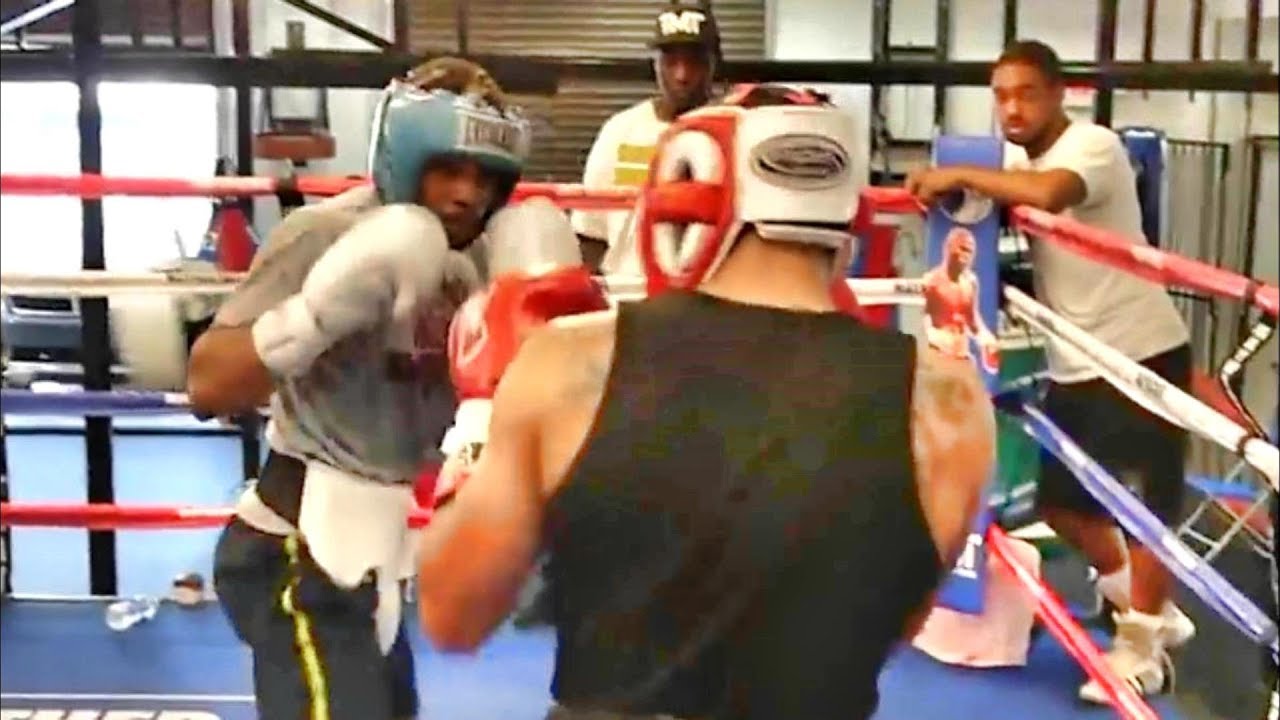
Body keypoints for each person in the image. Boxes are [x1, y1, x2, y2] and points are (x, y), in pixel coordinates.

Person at [417, 85, 996, 719]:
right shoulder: (947, 406)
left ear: (690, 188)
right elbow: (887, 630)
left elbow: (452, 615)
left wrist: (477, 423)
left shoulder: (571, 364)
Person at [184, 57, 566, 720]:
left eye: (486, 177)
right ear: (404, 155)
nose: (467, 194)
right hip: (293, 547)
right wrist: (311, 318)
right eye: (448, 168)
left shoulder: (488, 265)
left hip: (381, 553)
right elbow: (208, 384)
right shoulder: (326, 236)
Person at [905, 39, 1196, 701]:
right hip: (1079, 358)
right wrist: (943, 189)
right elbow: (995, 194)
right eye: (1001, 95)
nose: (1011, 107)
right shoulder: (1015, 159)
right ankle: (1147, 607)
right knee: (1062, 505)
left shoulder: (1091, 145)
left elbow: (1049, 194)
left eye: (1026, 93)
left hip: (1138, 350)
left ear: (1058, 94)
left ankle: (1142, 650)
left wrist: (964, 177)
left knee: (1145, 506)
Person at [570, 0, 720, 274]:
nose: (682, 75)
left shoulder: (731, 133)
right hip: (628, 293)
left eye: (694, 61)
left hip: (708, 298)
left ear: (713, 65)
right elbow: (590, 235)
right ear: (656, 64)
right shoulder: (620, 131)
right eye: (671, 61)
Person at [922, 227, 999, 372]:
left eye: (969, 251)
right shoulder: (931, 282)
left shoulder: (970, 282)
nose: (966, 255)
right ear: (948, 247)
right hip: (938, 358)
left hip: (962, 356)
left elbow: (972, 322)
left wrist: (988, 342)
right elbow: (923, 322)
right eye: (962, 249)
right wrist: (942, 340)